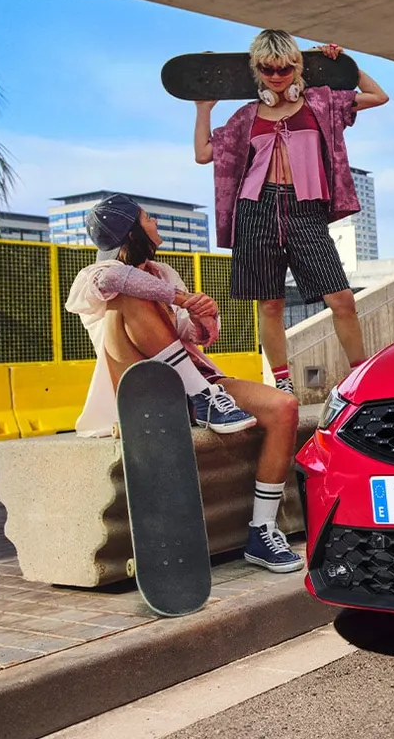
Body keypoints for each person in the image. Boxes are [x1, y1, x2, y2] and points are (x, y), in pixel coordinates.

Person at [63, 194, 305, 573]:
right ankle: (202, 396)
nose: (155, 221)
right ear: (130, 230)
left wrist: (205, 318)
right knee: (131, 294)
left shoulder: (164, 274)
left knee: (284, 408)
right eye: (147, 217)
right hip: (138, 384)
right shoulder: (97, 277)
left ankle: (262, 529)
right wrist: (182, 297)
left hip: (192, 379)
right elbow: (116, 277)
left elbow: (191, 335)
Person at [193, 31, 388, 396]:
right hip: (257, 208)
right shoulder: (247, 116)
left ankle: (360, 379)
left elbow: (379, 96)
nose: (277, 75)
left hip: (305, 208)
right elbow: (203, 153)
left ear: (297, 67)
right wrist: (204, 108)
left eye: (284, 67)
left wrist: (346, 67)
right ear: (258, 70)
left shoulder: (321, 103)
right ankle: (283, 383)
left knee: (341, 299)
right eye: (267, 68)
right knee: (270, 303)